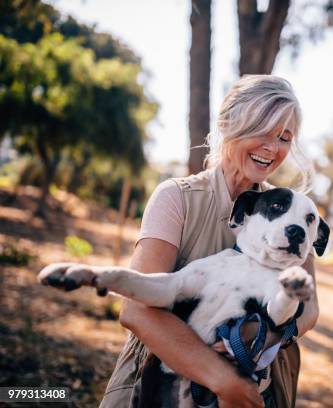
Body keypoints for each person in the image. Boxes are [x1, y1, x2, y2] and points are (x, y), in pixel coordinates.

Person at [99, 75, 319, 408]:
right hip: (160, 388)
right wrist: (224, 380)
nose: (272, 148)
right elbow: (137, 312)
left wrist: (261, 332)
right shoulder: (176, 198)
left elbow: (310, 309)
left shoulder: (294, 216)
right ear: (228, 123)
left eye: (284, 137)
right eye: (260, 130)